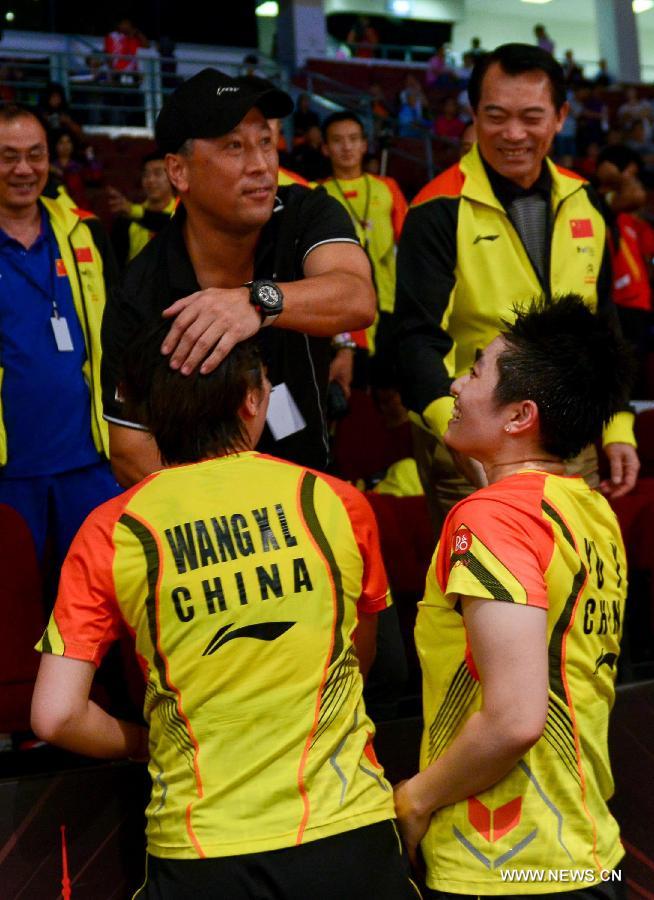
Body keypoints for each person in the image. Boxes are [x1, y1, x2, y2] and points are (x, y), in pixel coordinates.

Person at [31, 325, 419, 900]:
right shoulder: (335, 501)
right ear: (252, 401)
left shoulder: (113, 530)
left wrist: (145, 742)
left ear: (150, 415)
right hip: (346, 832)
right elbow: (358, 660)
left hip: (202, 851)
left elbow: (56, 716)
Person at [394, 294, 631, 897]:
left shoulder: (494, 519)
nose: (454, 384)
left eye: (474, 372)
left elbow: (515, 718)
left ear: (520, 416)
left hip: (502, 864)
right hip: (586, 850)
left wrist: (415, 801)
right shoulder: (589, 510)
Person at [393, 43, 638, 533]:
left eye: (531, 117)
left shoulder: (584, 198)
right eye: (496, 115)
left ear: (561, 116)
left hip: (571, 435)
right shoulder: (437, 209)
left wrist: (618, 425)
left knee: (576, 585)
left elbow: (602, 324)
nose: (513, 134)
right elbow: (416, 338)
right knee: (486, 592)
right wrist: (456, 433)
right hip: (477, 444)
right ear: (473, 112)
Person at [101, 69, 375, 485]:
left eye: (265, 142)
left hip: (312, 490)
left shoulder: (304, 214)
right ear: (179, 172)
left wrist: (257, 301)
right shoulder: (141, 293)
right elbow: (129, 451)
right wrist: (236, 512)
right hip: (208, 523)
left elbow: (357, 297)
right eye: (234, 147)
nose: (262, 165)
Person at [0, 105, 120, 572]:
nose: (24, 170)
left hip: (88, 460)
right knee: (14, 614)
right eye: (8, 157)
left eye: (35, 155)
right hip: (10, 469)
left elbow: (117, 337)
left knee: (95, 608)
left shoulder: (83, 231)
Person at [321, 111, 407, 381]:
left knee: (391, 391)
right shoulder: (316, 192)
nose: (346, 147)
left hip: (389, 303)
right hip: (341, 307)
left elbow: (407, 240)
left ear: (364, 145)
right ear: (325, 148)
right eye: (337, 140)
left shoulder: (387, 186)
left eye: (353, 139)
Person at [107, 150, 176, 269]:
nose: (150, 180)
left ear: (173, 175)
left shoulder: (185, 211)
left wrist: (134, 211)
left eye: (158, 173)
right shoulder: (127, 218)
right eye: (146, 175)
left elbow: (169, 224)